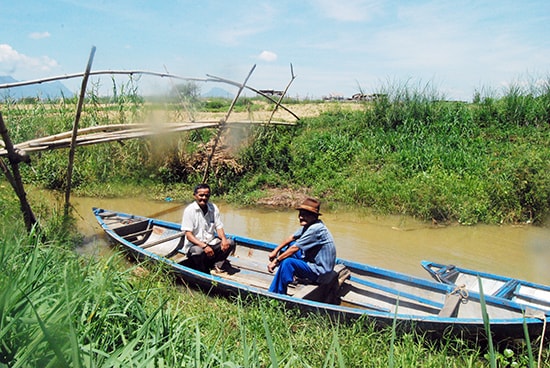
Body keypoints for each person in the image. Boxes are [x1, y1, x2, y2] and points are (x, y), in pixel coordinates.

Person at [267, 197, 336, 295]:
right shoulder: (310, 225)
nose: (301, 217)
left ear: (314, 216)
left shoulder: (315, 229)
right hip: (314, 263)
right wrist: (276, 250)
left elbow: (295, 248)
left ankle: (276, 294)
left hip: (321, 273)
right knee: (289, 247)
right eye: (300, 214)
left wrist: (276, 261)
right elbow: (292, 238)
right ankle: (288, 275)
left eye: (305, 215)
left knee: (288, 262)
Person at [181, 183, 235, 273]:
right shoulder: (189, 211)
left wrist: (224, 239)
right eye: (201, 195)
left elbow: (219, 227)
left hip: (211, 242)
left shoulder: (213, 207)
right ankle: (202, 270)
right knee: (198, 251)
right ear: (195, 196)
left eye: (207, 195)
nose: (204, 198)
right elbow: (188, 235)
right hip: (196, 246)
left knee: (230, 243)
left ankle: (218, 265)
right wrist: (204, 246)